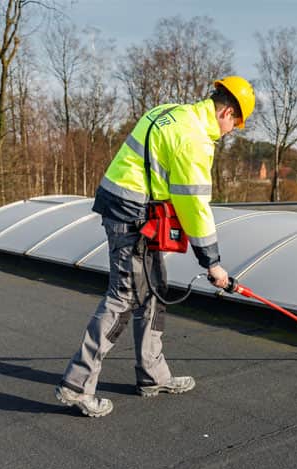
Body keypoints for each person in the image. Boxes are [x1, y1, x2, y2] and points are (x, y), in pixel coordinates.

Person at [55, 76, 256, 417]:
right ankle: (77, 384)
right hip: (130, 214)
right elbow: (195, 206)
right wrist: (213, 263)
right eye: (236, 123)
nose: (233, 130)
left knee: (154, 291)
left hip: (128, 205)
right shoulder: (194, 139)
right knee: (125, 297)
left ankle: (152, 376)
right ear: (225, 111)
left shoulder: (171, 112)